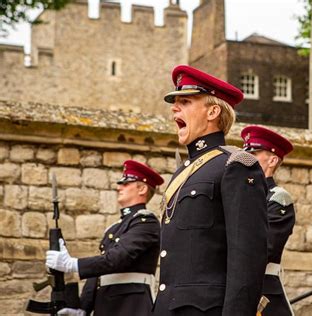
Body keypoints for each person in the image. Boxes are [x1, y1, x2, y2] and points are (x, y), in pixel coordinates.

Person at [153, 65, 268, 316]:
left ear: (213, 111)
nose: (175, 108)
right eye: (176, 102)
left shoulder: (236, 165)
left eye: (185, 101)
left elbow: (247, 258)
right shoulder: (183, 172)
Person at [46, 160, 164, 316]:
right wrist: (83, 308)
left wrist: (72, 264)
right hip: (106, 305)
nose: (118, 187)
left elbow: (117, 258)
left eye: (126, 183)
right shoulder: (114, 228)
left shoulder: (146, 222)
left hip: (132, 306)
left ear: (142, 188)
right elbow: (99, 274)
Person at [241, 125, 296, 316]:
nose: (248, 159)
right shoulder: (238, 196)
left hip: (264, 290)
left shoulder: (278, 199)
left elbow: (265, 247)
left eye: (255, 154)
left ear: (272, 160)